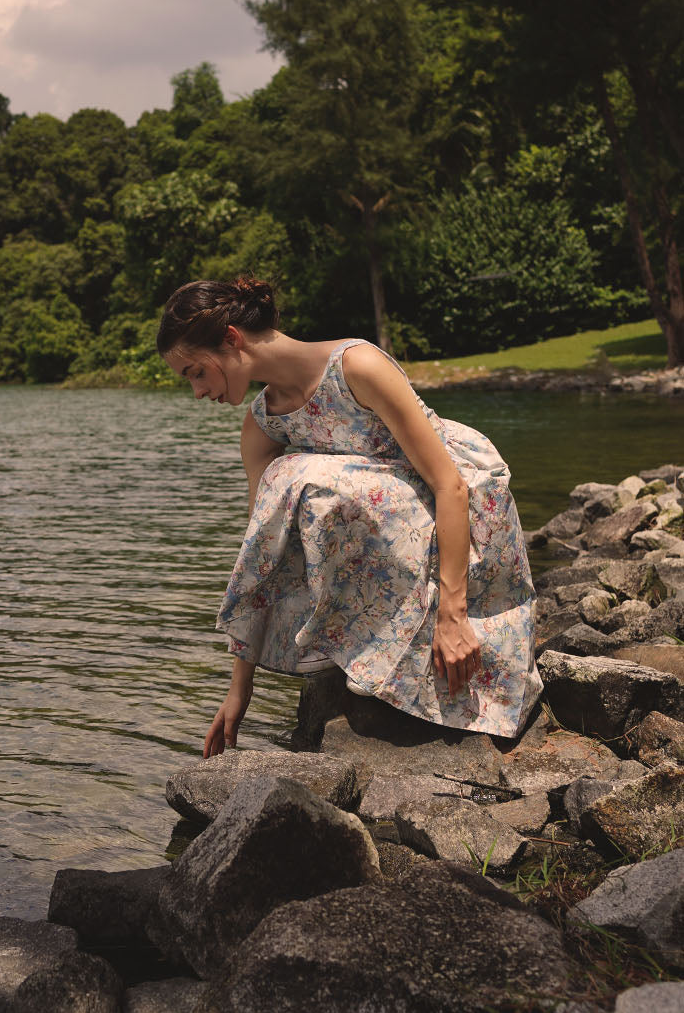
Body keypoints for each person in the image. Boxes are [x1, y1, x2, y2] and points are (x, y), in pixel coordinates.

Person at [157, 276, 541, 758]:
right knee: (288, 485)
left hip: (465, 514)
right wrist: (240, 686)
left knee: (302, 478)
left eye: (196, 372)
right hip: (394, 527)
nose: (197, 391)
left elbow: (451, 486)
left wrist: (454, 615)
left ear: (232, 340)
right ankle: (360, 643)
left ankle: (408, 633)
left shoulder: (356, 365)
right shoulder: (261, 426)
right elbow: (262, 553)